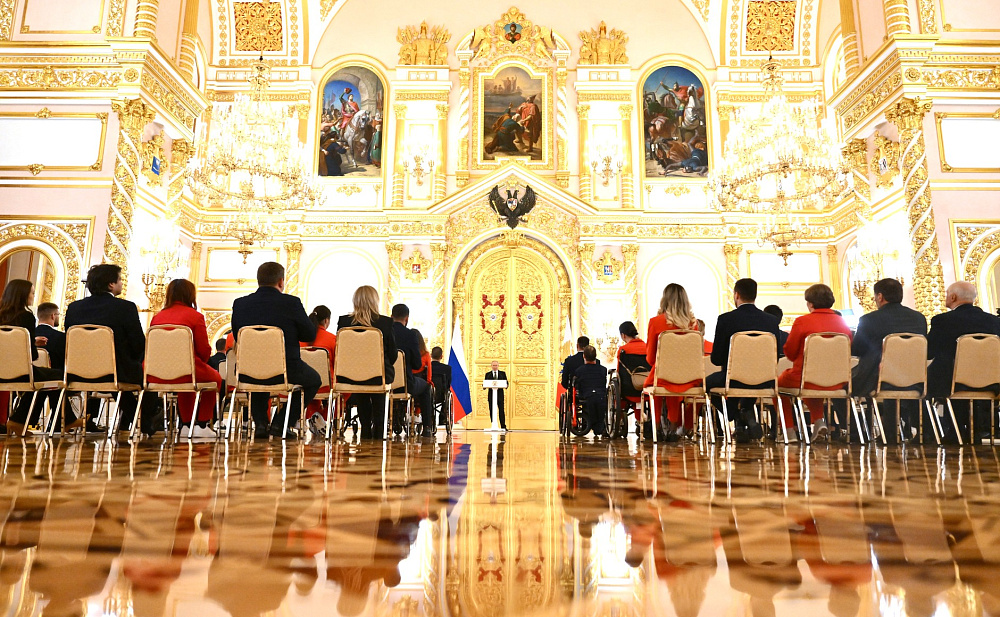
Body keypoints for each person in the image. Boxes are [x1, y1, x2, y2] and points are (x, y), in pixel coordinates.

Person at [64, 264, 159, 435]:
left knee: (126, 384)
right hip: (117, 371)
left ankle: (140, 423)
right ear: (111, 284)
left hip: (77, 372)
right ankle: (144, 422)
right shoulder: (125, 307)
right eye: (120, 280)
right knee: (151, 380)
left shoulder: (73, 308)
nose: (122, 283)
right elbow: (138, 343)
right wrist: (133, 361)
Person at [231, 262, 320, 439]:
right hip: (286, 368)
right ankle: (281, 423)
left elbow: (237, 335)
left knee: (257, 374)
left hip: (248, 369)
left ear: (258, 281)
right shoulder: (291, 303)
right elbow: (309, 334)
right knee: (314, 380)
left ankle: (261, 424)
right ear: (281, 282)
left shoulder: (240, 304)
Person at [851, 278, 927, 440]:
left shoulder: (869, 319)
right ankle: (899, 429)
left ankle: (856, 433)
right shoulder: (919, 318)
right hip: (914, 378)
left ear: (880, 296)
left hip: (877, 377)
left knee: (844, 382)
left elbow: (857, 349)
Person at [706, 278, 782, 441]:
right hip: (764, 380)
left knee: (703, 385)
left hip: (732, 379)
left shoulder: (726, 319)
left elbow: (716, 359)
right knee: (750, 379)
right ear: (755, 295)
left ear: (737, 295)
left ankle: (736, 414)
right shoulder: (771, 321)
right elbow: (776, 356)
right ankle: (745, 411)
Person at [776, 284, 853, 441]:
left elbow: (789, 352)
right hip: (837, 381)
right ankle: (818, 422)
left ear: (810, 303)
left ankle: (789, 430)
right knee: (812, 380)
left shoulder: (803, 322)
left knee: (777, 386)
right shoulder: (843, 324)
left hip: (805, 379)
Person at [927, 281, 1000, 442]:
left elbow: (928, 351)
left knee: (933, 375)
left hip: (952, 382)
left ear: (953, 297)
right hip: (991, 382)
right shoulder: (995, 322)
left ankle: (942, 431)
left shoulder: (942, 321)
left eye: (947, 294)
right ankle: (978, 429)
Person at [149, 279, 222, 438]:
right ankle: (202, 425)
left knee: (185, 381)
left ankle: (186, 425)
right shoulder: (195, 316)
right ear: (191, 295)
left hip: (155, 372)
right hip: (188, 369)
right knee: (215, 378)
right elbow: (203, 350)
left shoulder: (157, 317)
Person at [0, 280, 64, 436]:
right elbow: (32, 356)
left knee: (42, 378)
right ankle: (21, 420)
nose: (34, 296)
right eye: (32, 292)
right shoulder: (26, 317)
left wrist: (30, 341)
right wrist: (33, 345)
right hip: (20, 371)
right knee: (55, 376)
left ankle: (21, 421)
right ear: (23, 295)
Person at [336, 285, 396, 439]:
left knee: (360, 384)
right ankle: (379, 428)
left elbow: (341, 351)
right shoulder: (385, 323)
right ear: (375, 301)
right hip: (379, 375)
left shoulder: (344, 322)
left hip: (351, 375)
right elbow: (393, 354)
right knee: (378, 387)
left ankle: (366, 429)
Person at [644, 283, 699, 438]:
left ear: (665, 300)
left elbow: (650, 358)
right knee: (674, 378)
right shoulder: (693, 325)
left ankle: (656, 425)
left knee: (658, 379)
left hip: (662, 377)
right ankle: (674, 423)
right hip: (688, 378)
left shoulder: (656, 322)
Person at [390, 305, 435, 437]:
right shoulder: (410, 335)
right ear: (407, 319)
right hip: (406, 385)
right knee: (426, 387)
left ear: (391, 317)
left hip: (386, 384)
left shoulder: (384, 333)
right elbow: (416, 365)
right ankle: (427, 427)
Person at [574, 346, 609, 437]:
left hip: (585, 395)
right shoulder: (603, 370)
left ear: (584, 356)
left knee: (590, 406)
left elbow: (578, 385)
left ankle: (594, 426)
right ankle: (600, 427)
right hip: (601, 395)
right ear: (595, 356)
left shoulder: (579, 371)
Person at [35, 302, 65, 371]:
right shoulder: (61, 337)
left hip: (31, 376)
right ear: (53, 316)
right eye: (58, 314)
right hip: (54, 377)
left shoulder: (29, 335)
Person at [430, 346, 452, 426]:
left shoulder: (427, 367)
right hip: (441, 396)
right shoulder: (447, 369)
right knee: (446, 393)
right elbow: (448, 383)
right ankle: (442, 418)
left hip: (428, 394)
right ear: (441, 357)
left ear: (430, 355)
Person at [484, 360, 507, 430]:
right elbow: (485, 383)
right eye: (493, 365)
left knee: (501, 410)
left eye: (496, 365)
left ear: (498, 366)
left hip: (499, 395)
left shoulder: (502, 374)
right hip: (491, 395)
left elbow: (506, 383)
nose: (495, 367)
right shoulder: (488, 374)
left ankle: (503, 426)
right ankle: (493, 425)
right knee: (492, 410)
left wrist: (506, 385)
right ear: (491, 366)